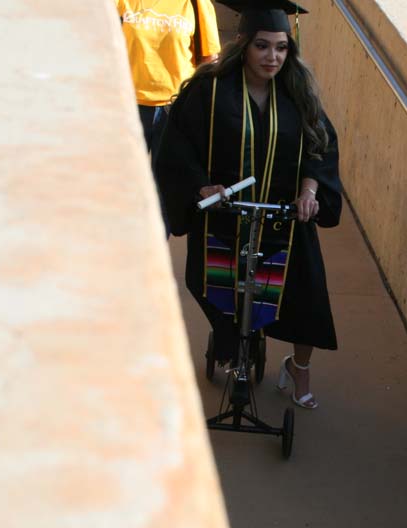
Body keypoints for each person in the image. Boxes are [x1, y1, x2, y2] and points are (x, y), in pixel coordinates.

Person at [153, 0, 341, 410]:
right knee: (216, 287)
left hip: (284, 220)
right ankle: (227, 336)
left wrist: (310, 192)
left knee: (307, 295)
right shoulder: (208, 90)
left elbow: (320, 147)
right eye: (262, 46)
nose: (272, 56)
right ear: (243, 45)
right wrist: (201, 188)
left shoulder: (298, 93)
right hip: (224, 217)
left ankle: (298, 366)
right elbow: (176, 149)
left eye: (280, 47)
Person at [117, 0, 222, 151]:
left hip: (175, 108)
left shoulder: (197, 4)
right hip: (128, 107)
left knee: (168, 173)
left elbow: (209, 61)